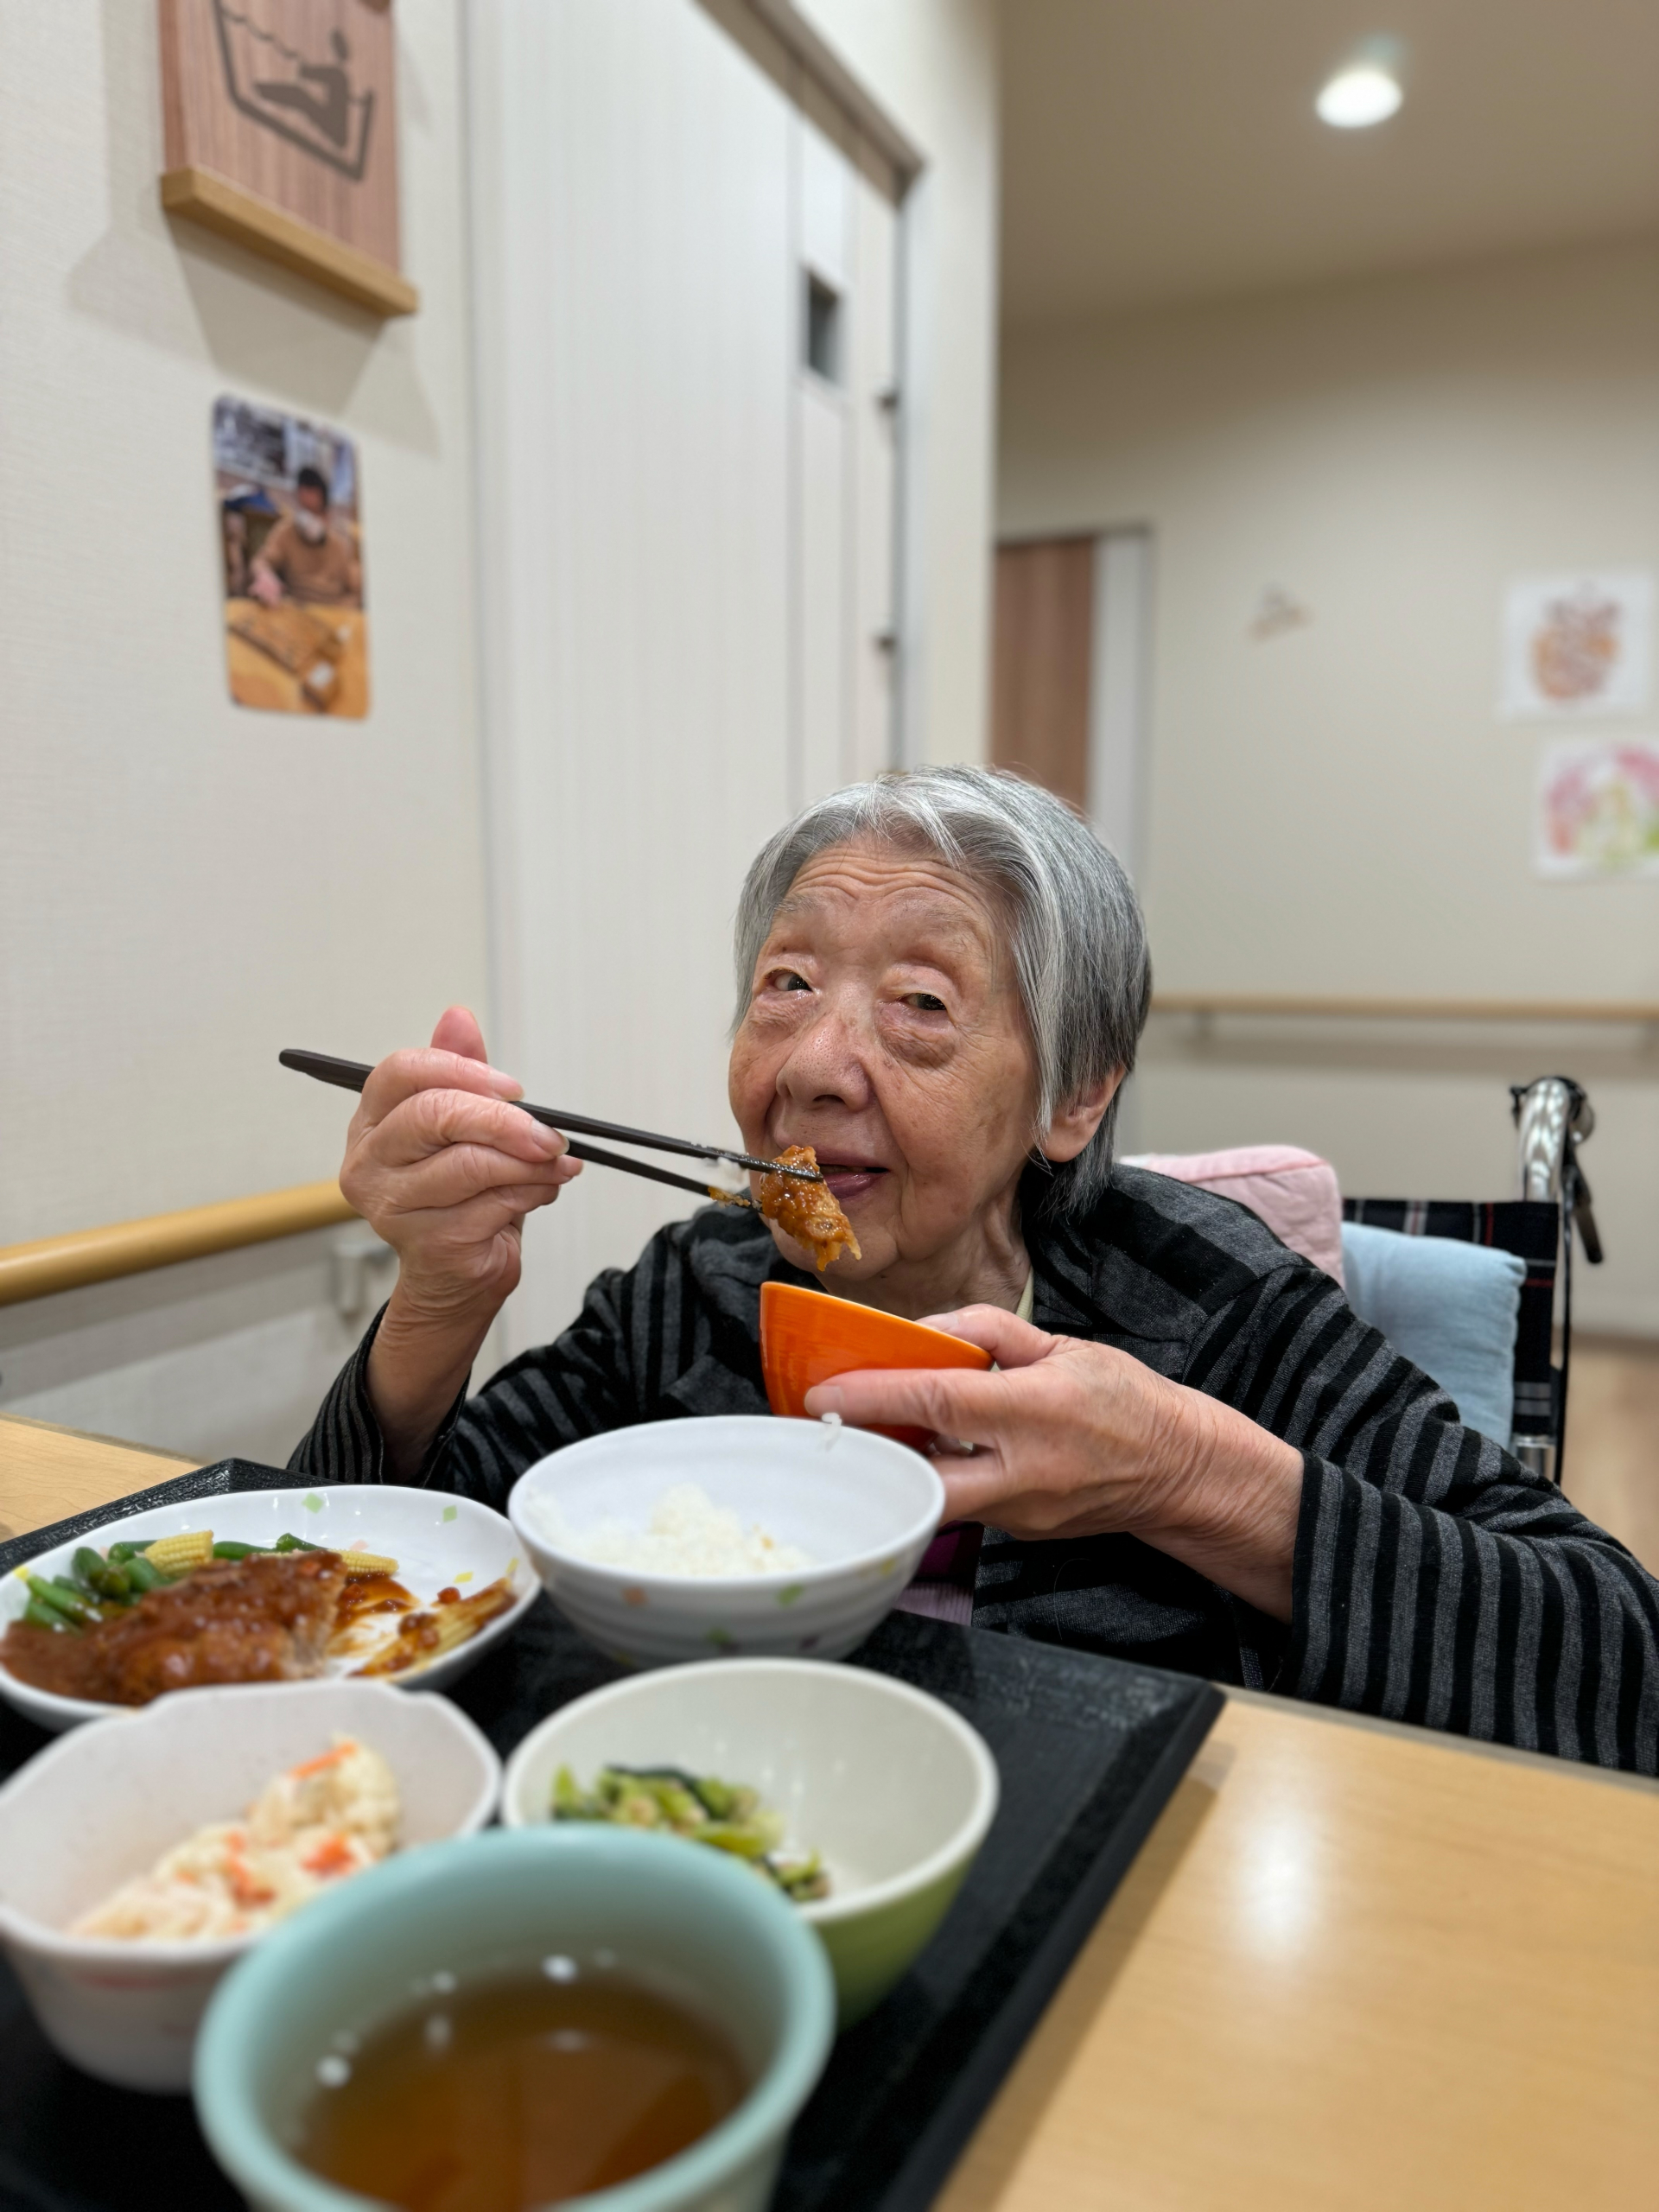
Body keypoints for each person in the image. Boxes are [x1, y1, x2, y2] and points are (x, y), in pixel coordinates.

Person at [290, 766, 1659, 1772]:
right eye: (786, 984)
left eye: (921, 1004)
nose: (814, 1067)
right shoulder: (696, 1288)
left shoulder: (1207, 1302)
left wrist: (1181, 1473)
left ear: (1075, 1096)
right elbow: (344, 1593)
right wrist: (441, 1303)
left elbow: (1619, 1663)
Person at [250, 467, 360, 607]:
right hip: (297, 607)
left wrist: (342, 608)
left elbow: (356, 587)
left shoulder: (338, 543)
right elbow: (262, 560)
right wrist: (264, 574)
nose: (310, 522)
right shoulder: (286, 531)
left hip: (333, 609)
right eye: (306, 512)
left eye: (315, 515)